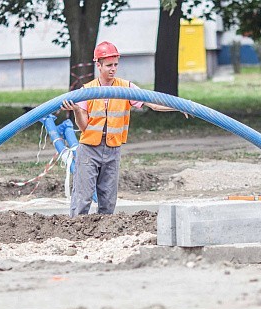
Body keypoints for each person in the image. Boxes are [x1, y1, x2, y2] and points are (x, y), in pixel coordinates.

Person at [61, 41, 181, 216]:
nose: (113, 69)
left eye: (116, 64)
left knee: (108, 200)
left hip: (112, 149)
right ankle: (77, 234)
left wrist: (181, 106)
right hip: (89, 150)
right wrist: (78, 110)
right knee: (82, 197)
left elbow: (153, 104)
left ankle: (105, 233)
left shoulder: (126, 88)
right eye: (109, 65)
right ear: (98, 65)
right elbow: (84, 126)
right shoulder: (87, 91)